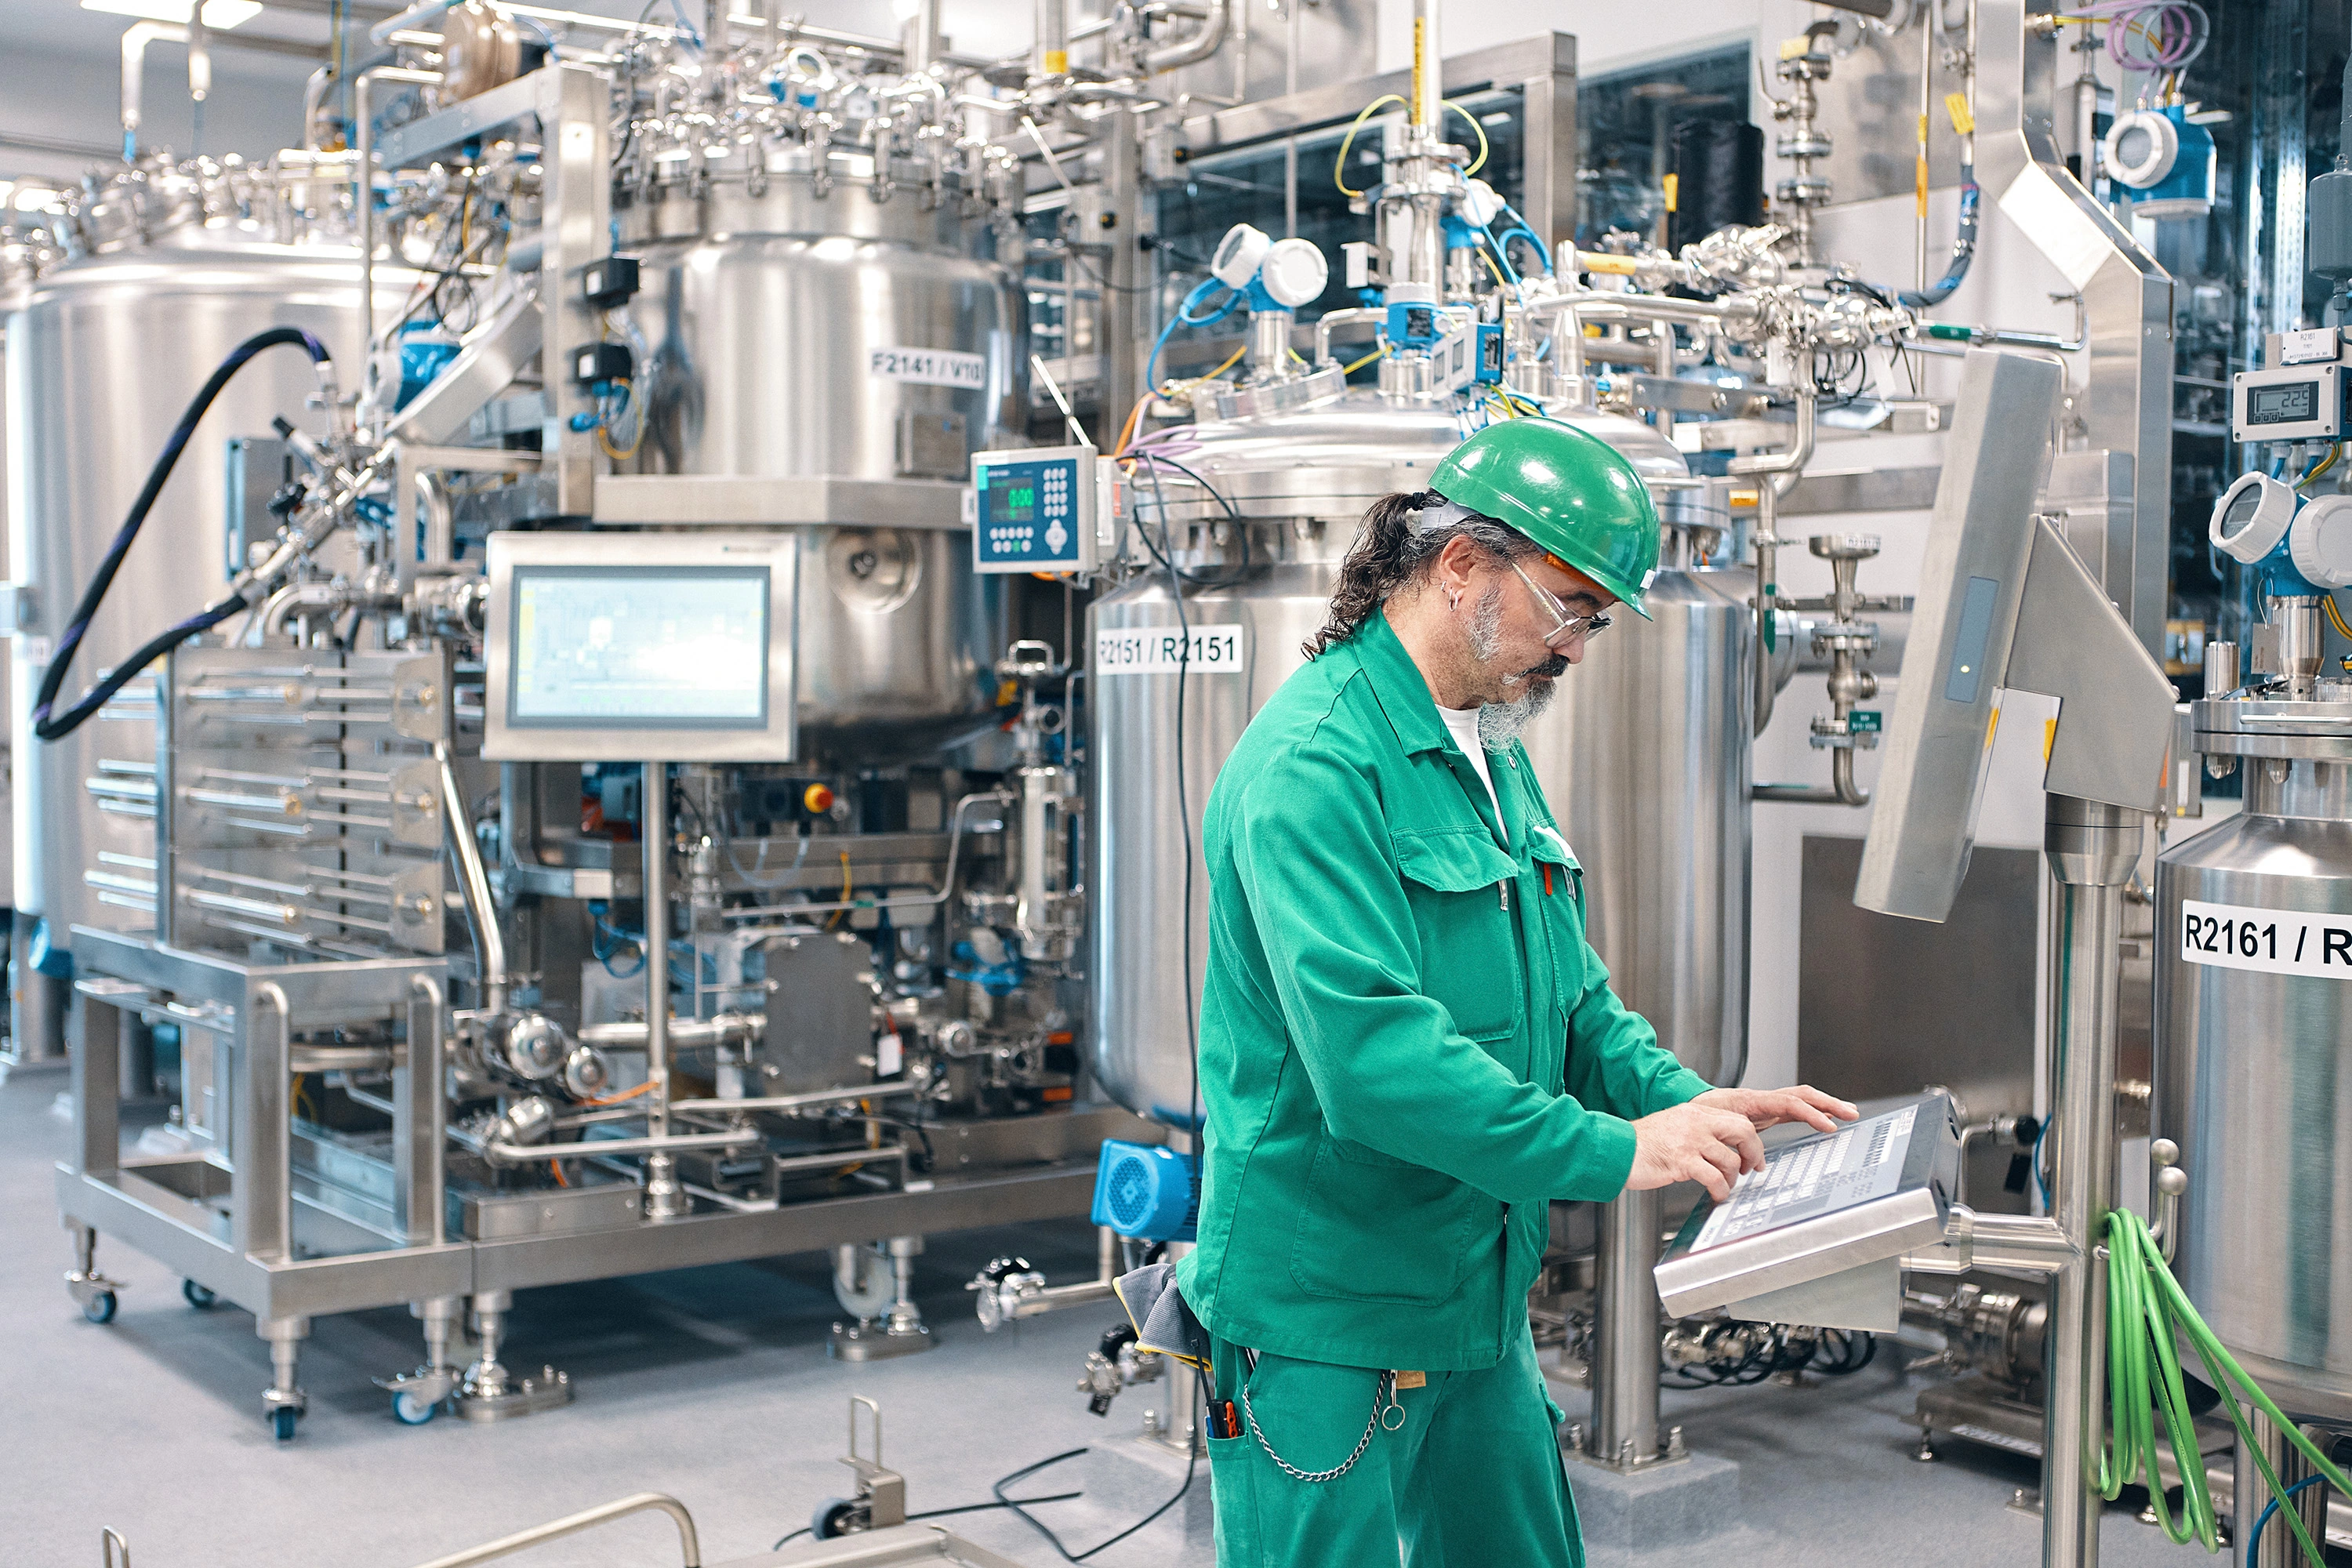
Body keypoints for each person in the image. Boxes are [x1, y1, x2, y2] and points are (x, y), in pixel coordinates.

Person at [1174, 418, 1858, 1567]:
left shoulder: (1488, 745)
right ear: (1459, 568)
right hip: (1330, 1300)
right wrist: (1616, 1151)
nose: (1580, 646)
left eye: (1594, 619)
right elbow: (1377, 1062)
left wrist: (1695, 1109)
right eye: (1572, 607)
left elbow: (1572, 1000)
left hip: (1473, 1287)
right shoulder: (1315, 769)